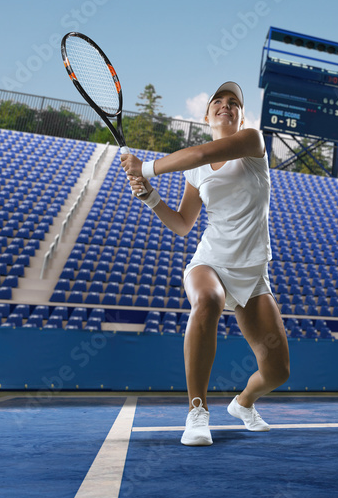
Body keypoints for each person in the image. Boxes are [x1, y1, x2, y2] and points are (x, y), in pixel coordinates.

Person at [120, 81, 289, 447]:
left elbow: (198, 153)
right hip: (210, 261)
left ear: (242, 116)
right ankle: (197, 411)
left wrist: (145, 168)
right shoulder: (194, 172)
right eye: (218, 102)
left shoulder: (252, 142)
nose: (226, 106)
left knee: (277, 371)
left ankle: (243, 404)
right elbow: (183, 224)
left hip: (252, 273)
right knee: (208, 300)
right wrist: (150, 198)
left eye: (234, 103)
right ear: (207, 114)